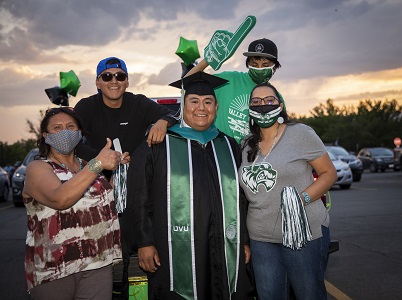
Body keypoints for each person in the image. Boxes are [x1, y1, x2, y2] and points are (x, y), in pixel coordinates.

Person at [126, 72, 253, 300]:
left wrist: (242, 239)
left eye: (207, 102)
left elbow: (241, 197)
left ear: (216, 107)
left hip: (223, 246)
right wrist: (144, 242)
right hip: (173, 248)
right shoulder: (158, 144)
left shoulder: (228, 145)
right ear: (182, 107)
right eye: (194, 101)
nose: (201, 108)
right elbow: (139, 195)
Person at [74, 56, 178, 299]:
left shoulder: (139, 104)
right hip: (102, 189)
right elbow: (72, 142)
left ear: (127, 81)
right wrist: (104, 160)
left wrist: (162, 121)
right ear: (98, 82)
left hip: (139, 190)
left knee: (141, 261)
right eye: (107, 76)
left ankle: (139, 290)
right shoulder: (87, 107)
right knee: (108, 262)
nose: (114, 81)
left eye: (120, 76)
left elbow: (175, 114)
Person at [239, 82, 337, 299]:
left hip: (303, 233)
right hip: (261, 238)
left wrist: (301, 199)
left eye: (269, 101)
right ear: (250, 109)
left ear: (280, 105)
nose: (262, 106)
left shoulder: (300, 134)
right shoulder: (246, 144)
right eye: (256, 102)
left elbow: (329, 173)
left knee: (308, 295)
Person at [23, 106, 122, 299]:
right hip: (55, 268)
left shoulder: (87, 166)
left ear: (79, 133)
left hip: (98, 263)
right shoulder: (38, 167)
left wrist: (121, 170)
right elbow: (60, 198)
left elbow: (106, 200)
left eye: (70, 126)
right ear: (45, 135)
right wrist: (98, 163)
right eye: (57, 128)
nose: (65, 131)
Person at [186, 38, 281, 144]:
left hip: (250, 157)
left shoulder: (276, 99)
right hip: (220, 152)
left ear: (275, 67)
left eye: (265, 65)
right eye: (254, 65)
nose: (259, 69)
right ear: (247, 64)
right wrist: (209, 60)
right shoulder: (228, 80)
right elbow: (186, 83)